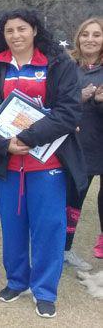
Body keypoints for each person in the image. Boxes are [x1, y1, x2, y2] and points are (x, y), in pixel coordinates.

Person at [0, 9, 86, 318]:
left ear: (34, 30)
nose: (15, 35)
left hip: (48, 162)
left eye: (21, 29)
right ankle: (17, 280)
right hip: (8, 161)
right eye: (9, 30)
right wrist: (5, 143)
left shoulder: (58, 62)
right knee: (12, 225)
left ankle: (45, 290)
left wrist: (29, 137)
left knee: (48, 227)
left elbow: (68, 112)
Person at [65, 17, 103, 264]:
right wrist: (83, 96)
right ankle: (64, 248)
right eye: (85, 34)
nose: (90, 39)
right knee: (74, 195)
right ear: (78, 37)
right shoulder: (68, 67)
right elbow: (57, 102)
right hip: (80, 143)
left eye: (96, 35)